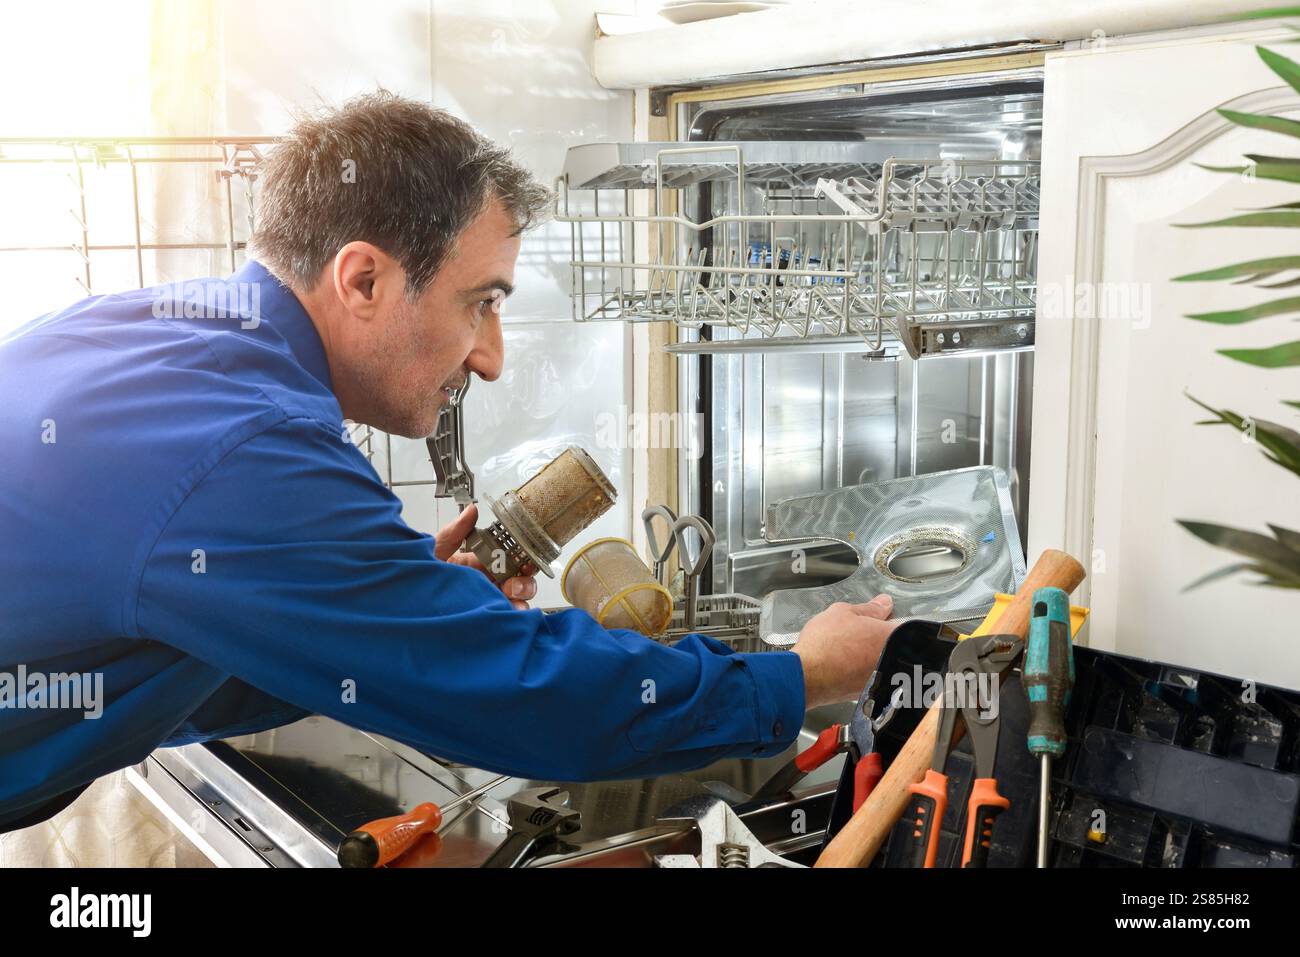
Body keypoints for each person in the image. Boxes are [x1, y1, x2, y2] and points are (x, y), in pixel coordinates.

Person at [0, 92, 898, 832]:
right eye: (481, 303)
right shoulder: (245, 442)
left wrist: (382, 600)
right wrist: (796, 675)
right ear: (363, 281)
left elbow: (160, 648)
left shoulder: (151, 332)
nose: (492, 356)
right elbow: (522, 697)